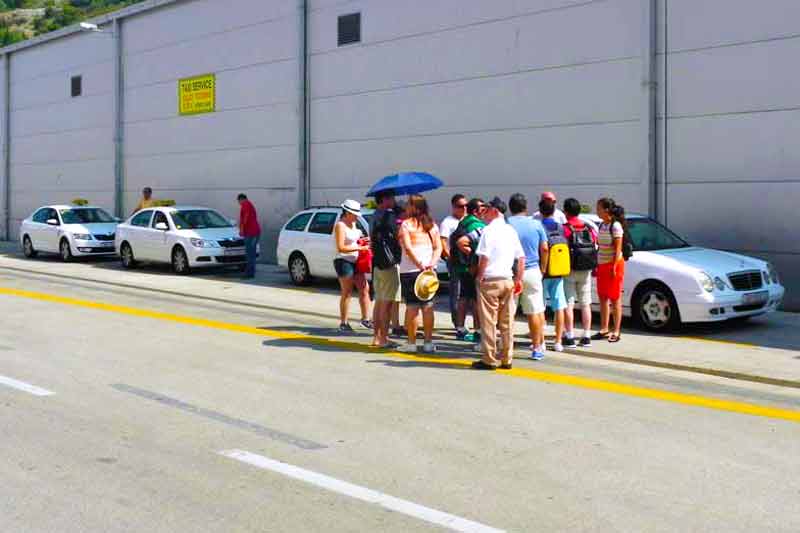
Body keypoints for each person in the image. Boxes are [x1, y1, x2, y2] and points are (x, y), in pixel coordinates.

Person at [472, 197, 525, 370]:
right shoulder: (511, 230)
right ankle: (507, 358)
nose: (484, 214)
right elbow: (521, 257)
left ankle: (489, 358)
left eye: (486, 210)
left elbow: (484, 257)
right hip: (507, 279)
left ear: (494, 211)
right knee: (507, 321)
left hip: (491, 279)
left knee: (488, 321)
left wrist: (479, 276)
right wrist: (518, 279)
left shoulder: (488, 231)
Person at [507, 193, 550, 361]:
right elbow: (545, 248)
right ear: (526, 207)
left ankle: (507, 345)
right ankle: (537, 347)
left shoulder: (507, 224)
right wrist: (543, 269)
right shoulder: (536, 224)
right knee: (536, 311)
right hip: (533, 271)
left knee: (509, 312)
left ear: (510, 208)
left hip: (511, 272)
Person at [397, 194, 442, 353]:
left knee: (412, 307)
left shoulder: (406, 225)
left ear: (414, 207)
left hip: (411, 271)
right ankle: (428, 342)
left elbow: (408, 249)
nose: (406, 207)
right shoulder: (432, 225)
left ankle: (411, 343)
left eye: (408, 204)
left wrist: (419, 265)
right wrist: (431, 264)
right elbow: (438, 247)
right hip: (429, 272)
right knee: (428, 307)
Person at [561, 198, 598, 348]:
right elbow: (595, 245)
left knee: (568, 304)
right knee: (585, 304)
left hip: (569, 269)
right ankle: (586, 335)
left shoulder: (565, 228)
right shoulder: (587, 228)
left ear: (566, 211)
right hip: (586, 269)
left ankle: (569, 336)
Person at [333, 199, 372, 333]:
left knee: (365, 288)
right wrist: (360, 248)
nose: (356, 217)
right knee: (347, 292)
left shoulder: (354, 224)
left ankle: (366, 319)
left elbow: (356, 241)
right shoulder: (340, 225)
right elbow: (341, 247)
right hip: (343, 261)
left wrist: (363, 242)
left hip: (356, 261)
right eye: (354, 214)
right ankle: (344, 322)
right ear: (347, 213)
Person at [452, 198, 487, 345]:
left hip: (460, 266)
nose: (485, 211)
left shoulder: (464, 221)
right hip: (471, 267)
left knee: (464, 297)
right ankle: (478, 330)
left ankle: (460, 328)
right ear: (475, 211)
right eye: (482, 209)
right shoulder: (477, 225)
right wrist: (472, 253)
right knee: (475, 299)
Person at [370, 190, 402, 348]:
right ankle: (384, 338)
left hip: (377, 262)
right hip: (389, 263)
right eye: (392, 197)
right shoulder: (389, 215)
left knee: (379, 300)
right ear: (384, 199)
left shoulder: (374, 215)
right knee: (387, 303)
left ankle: (376, 337)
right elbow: (397, 237)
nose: (394, 200)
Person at [538, 197, 569, 352]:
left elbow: (541, 248)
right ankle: (558, 341)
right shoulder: (561, 227)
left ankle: (541, 341)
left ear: (541, 212)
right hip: (558, 270)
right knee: (559, 306)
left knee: (540, 307)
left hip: (543, 272)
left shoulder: (539, 226)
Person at [595, 197, 627, 343]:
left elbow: (618, 247)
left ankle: (616, 330)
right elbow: (600, 246)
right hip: (602, 264)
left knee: (615, 298)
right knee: (602, 297)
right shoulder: (602, 225)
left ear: (606, 210)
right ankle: (604, 328)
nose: (597, 210)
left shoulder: (615, 226)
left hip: (614, 265)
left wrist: (614, 266)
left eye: (599, 208)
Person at [439, 194, 468, 336]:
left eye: (465, 206)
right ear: (453, 207)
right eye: (460, 206)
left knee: (467, 295)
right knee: (456, 293)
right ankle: (457, 324)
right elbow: (443, 242)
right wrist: (450, 258)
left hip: (469, 263)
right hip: (455, 263)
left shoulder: (468, 220)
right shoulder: (448, 222)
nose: (463, 209)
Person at [237, 193, 261, 279]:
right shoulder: (249, 204)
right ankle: (251, 273)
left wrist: (242, 229)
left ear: (241, 199)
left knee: (250, 253)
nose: (239, 203)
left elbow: (246, 217)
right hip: (254, 232)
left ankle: (249, 273)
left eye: (239, 201)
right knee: (252, 253)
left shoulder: (245, 204)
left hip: (251, 233)